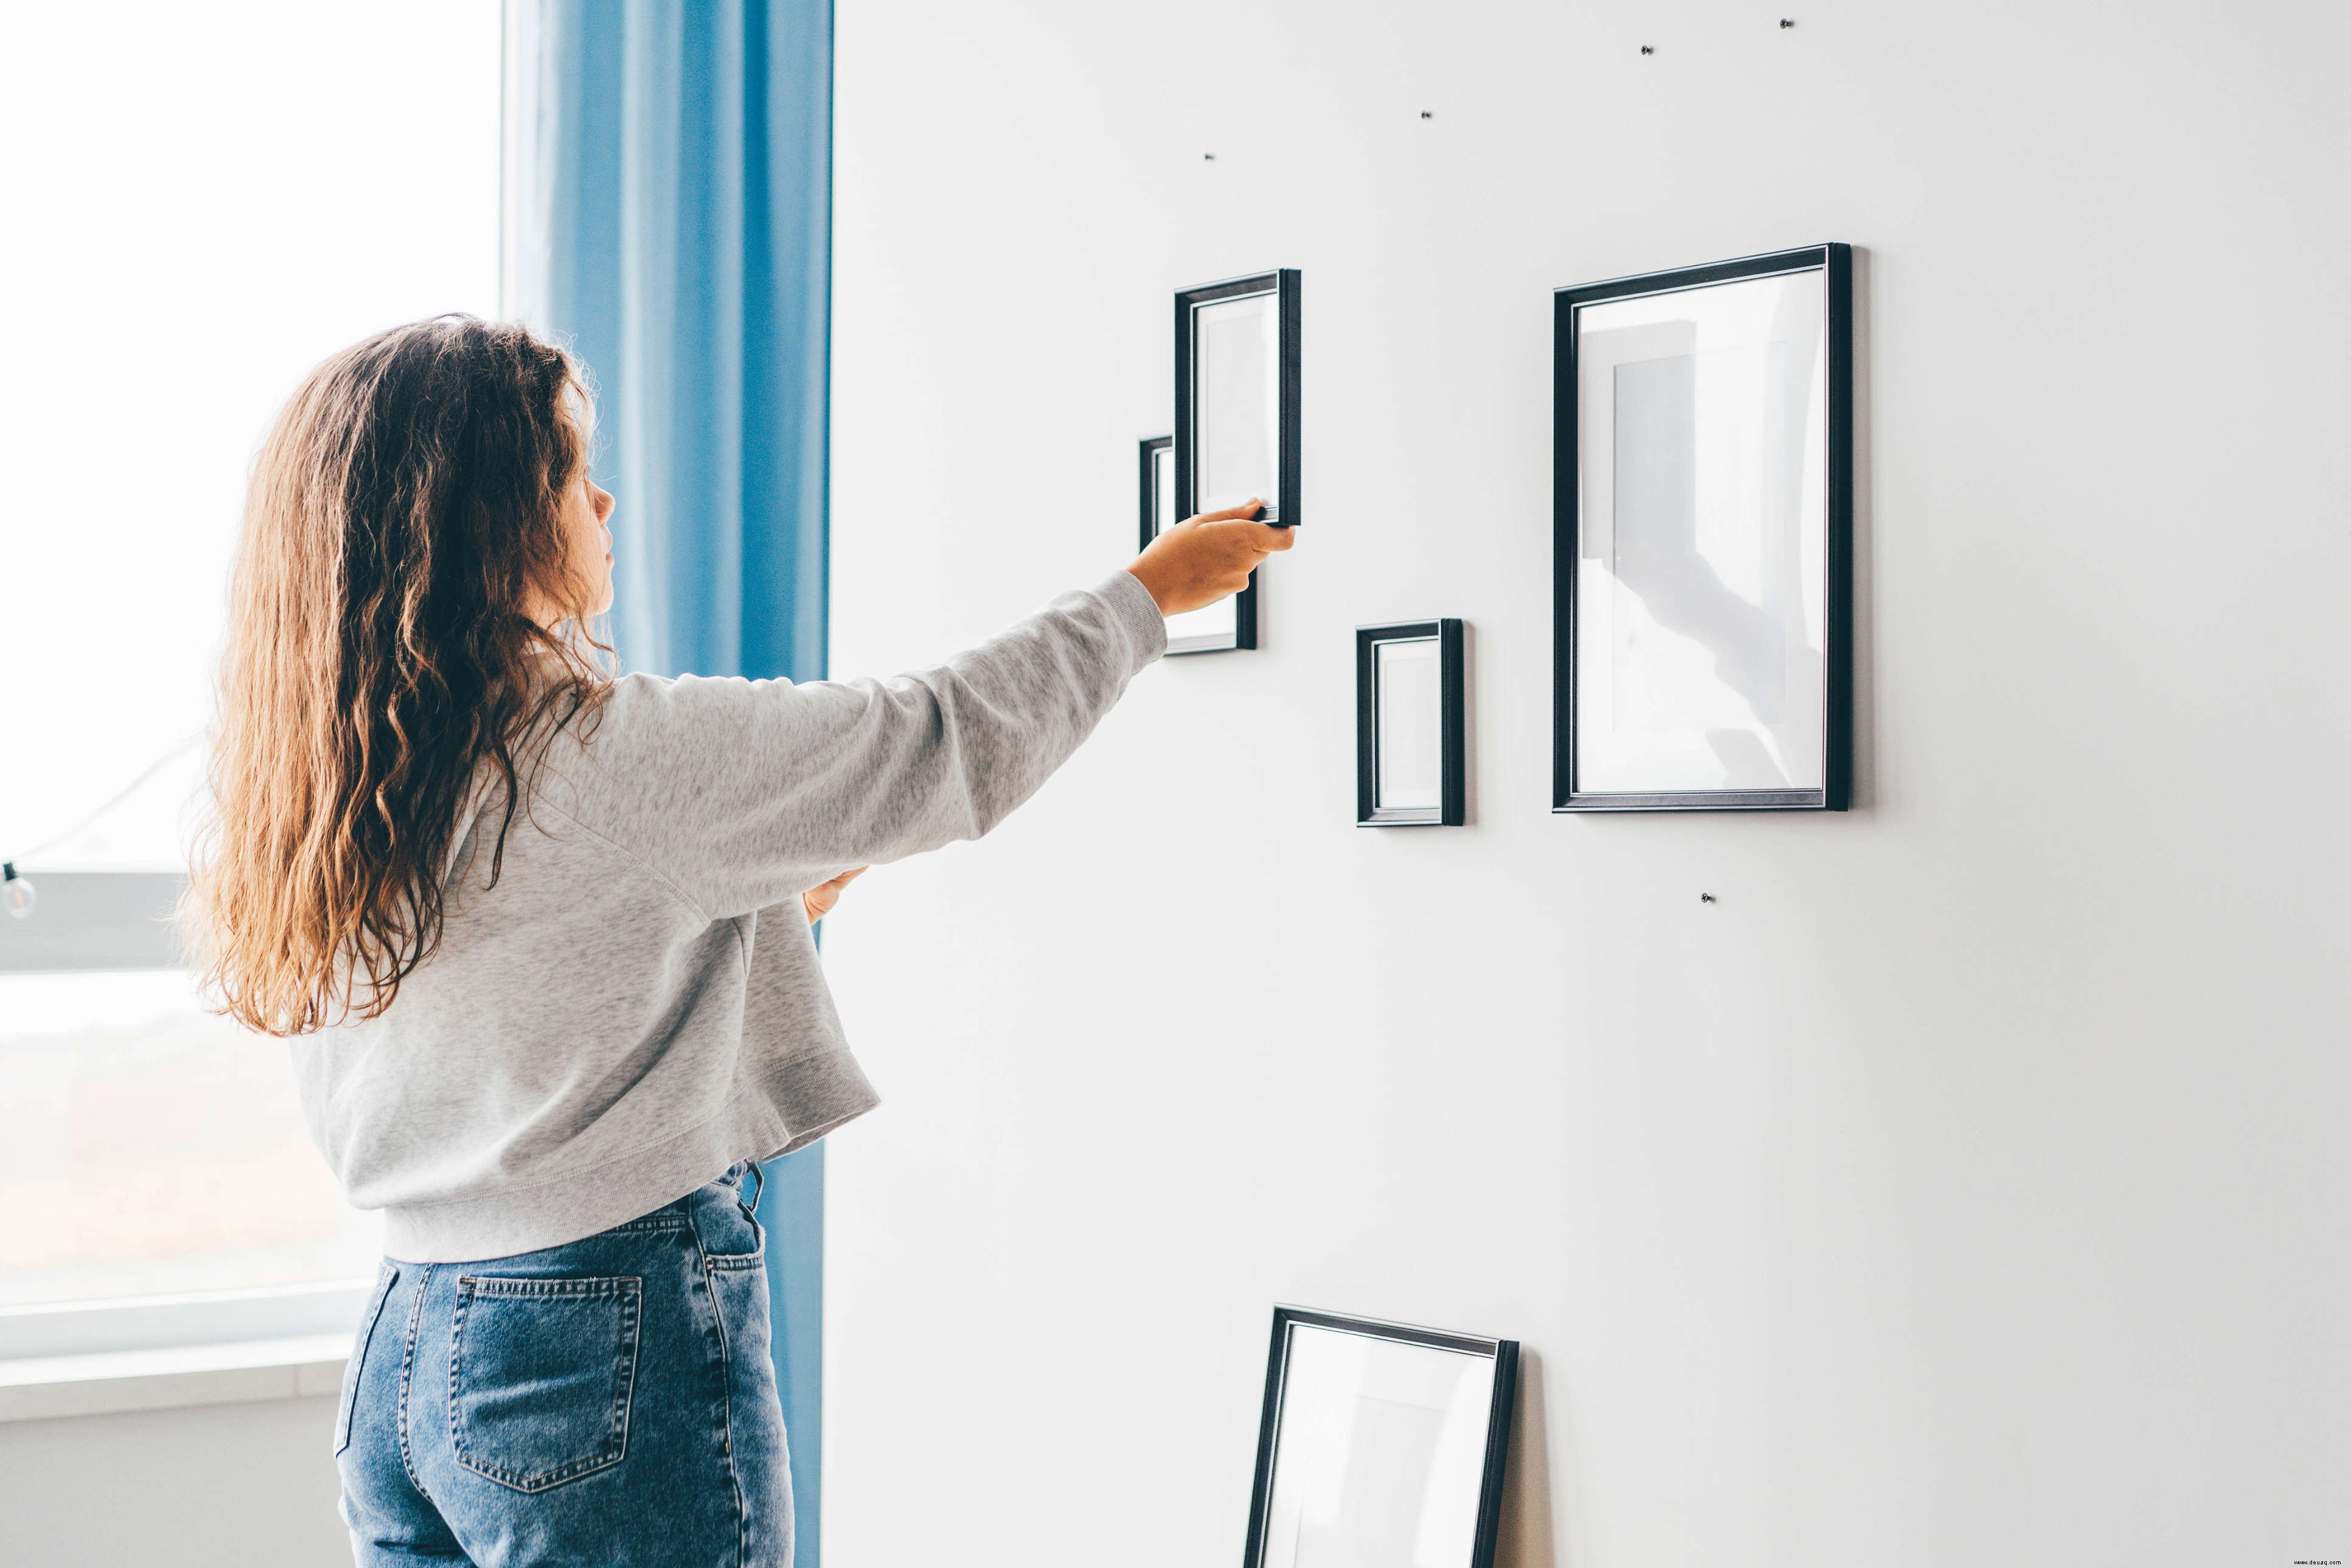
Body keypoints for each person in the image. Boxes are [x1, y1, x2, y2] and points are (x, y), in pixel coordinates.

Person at [188, 315, 1294, 1567]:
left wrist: (771, 909)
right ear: (490, 519)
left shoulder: (344, 788)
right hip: (594, 1332)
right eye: (566, 468)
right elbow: (941, 736)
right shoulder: (609, 754)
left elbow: (532, 973)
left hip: (405, 1344)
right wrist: (1146, 595)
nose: (602, 496)